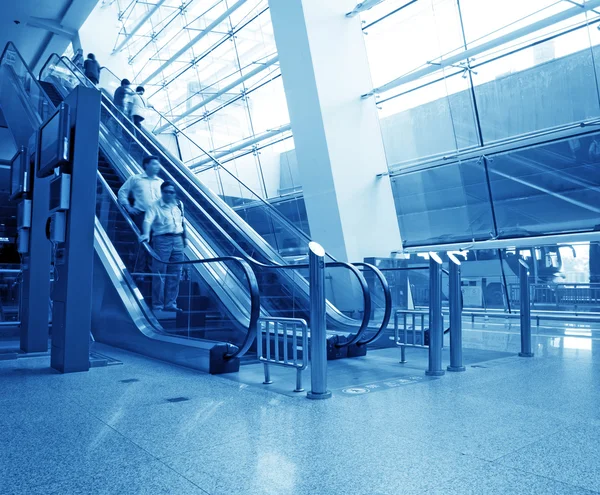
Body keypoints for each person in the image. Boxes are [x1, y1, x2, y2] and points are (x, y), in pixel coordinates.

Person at [140, 181, 187, 312]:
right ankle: (158, 305)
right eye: (165, 191)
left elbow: (182, 223)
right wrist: (145, 234)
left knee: (175, 273)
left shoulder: (177, 207)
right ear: (161, 192)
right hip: (161, 240)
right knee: (160, 272)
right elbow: (147, 220)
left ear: (174, 193)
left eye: (171, 192)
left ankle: (171, 303)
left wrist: (185, 238)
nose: (168, 194)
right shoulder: (154, 206)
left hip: (178, 240)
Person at [117, 155, 163, 272]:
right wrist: (128, 207)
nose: (158, 166)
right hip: (142, 216)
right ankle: (139, 271)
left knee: (157, 244)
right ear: (146, 165)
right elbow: (122, 192)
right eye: (154, 164)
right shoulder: (136, 179)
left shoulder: (160, 182)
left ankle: (153, 271)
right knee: (141, 244)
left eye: (158, 164)